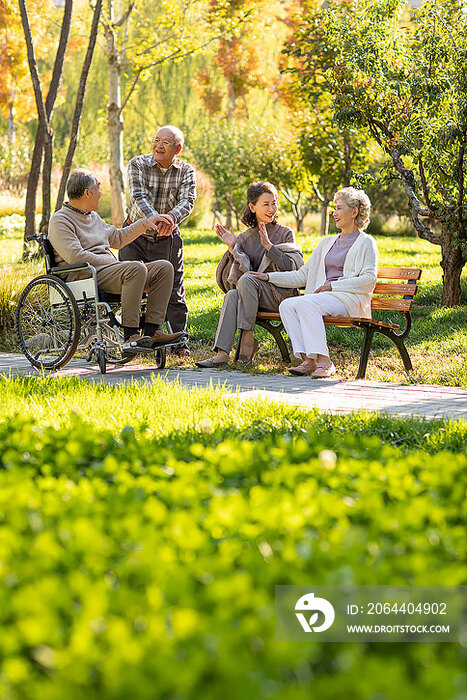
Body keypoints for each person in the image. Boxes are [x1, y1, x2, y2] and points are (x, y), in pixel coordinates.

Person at [48, 169, 185, 351]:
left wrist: (146, 222)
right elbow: (76, 257)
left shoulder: (92, 217)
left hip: (108, 272)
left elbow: (118, 239)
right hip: (84, 276)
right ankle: (131, 335)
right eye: (98, 188)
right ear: (87, 193)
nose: (100, 193)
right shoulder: (60, 220)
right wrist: (114, 264)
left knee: (164, 268)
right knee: (135, 268)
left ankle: (153, 332)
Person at [250, 187, 378, 377]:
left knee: (307, 304)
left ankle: (325, 362)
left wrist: (333, 286)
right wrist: (269, 277)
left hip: (348, 300)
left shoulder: (366, 242)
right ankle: (308, 360)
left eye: (339, 208)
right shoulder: (327, 242)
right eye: (334, 208)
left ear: (354, 212)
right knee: (287, 305)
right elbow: (302, 275)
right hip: (324, 298)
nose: (334, 213)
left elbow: (369, 280)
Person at [196, 181, 304, 368]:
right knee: (232, 294)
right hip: (254, 297)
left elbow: (292, 269)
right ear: (252, 207)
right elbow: (238, 277)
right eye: (266, 204)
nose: (272, 209)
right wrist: (234, 249)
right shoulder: (245, 238)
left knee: (247, 280)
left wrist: (270, 247)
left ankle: (247, 336)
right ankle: (222, 353)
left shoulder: (286, 234)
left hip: (281, 296)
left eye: (274, 203)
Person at [119, 125, 196, 357]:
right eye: (156, 140)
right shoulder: (137, 164)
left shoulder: (186, 171)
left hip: (167, 236)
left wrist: (170, 218)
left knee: (173, 289)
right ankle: (133, 341)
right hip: (135, 234)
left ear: (177, 149)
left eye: (165, 142)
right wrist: (153, 218)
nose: (158, 145)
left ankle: (179, 344)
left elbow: (188, 201)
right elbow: (138, 196)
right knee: (132, 287)